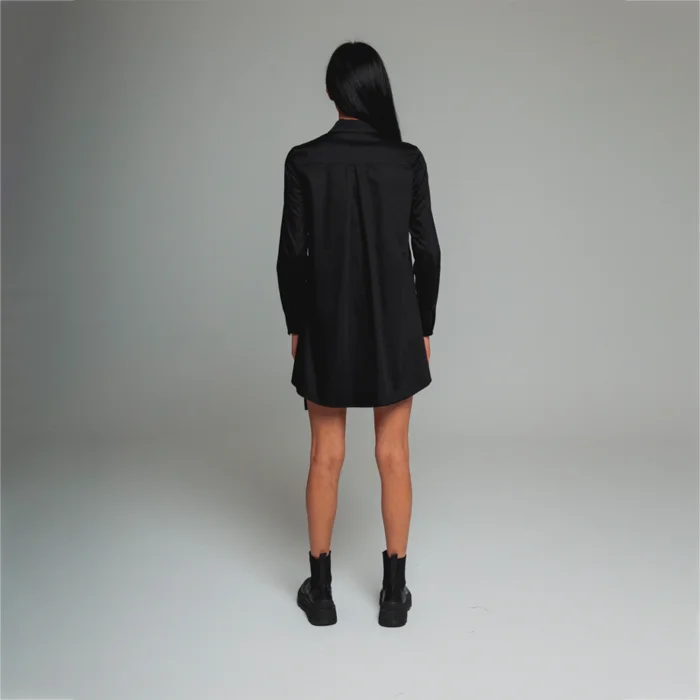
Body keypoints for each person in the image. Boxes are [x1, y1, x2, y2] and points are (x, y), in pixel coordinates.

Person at [276, 41, 441, 628]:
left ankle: (320, 593)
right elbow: (428, 251)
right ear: (376, 88)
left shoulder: (303, 160)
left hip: (325, 325)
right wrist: (424, 324)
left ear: (330, 92)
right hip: (396, 327)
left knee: (325, 455)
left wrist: (296, 323)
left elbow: (291, 257)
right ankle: (394, 595)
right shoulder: (407, 160)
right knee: (393, 456)